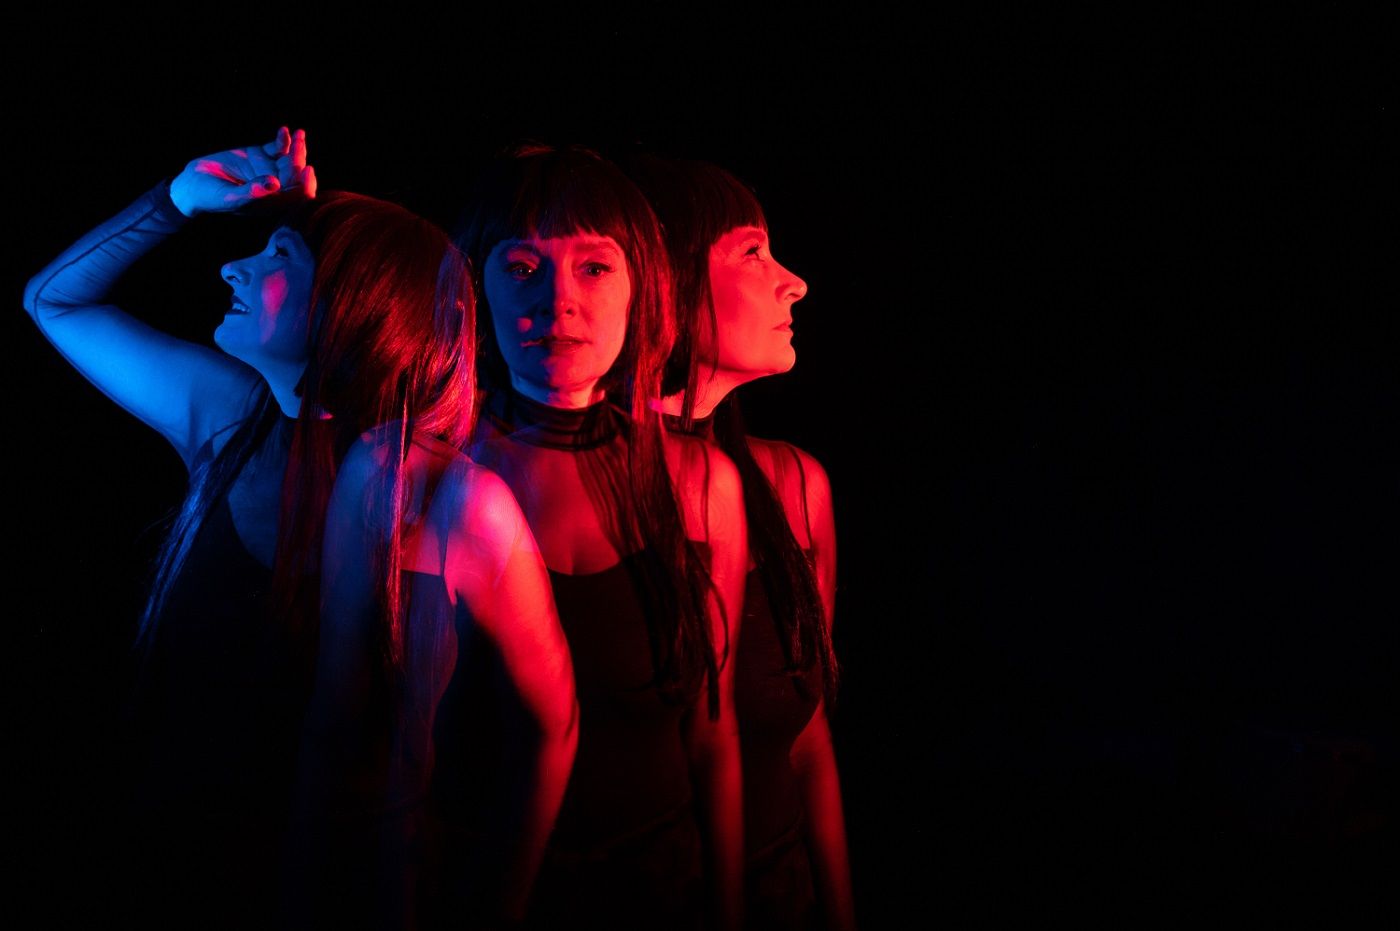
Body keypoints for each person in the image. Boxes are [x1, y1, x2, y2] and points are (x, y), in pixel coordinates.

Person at [23, 128, 573, 929]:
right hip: (169, 876)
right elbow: (53, 302)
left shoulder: (453, 498)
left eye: (279, 255)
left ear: (362, 300)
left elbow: (549, 726)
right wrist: (178, 199)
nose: (231, 267)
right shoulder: (228, 419)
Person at [453, 143, 748, 930]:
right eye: (523, 267)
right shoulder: (435, 477)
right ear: (474, 285)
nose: (559, 301)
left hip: (662, 888)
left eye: (593, 267)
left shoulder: (700, 482)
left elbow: (714, 735)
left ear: (640, 282)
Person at [626, 154, 855, 930]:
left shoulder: (796, 484)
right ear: (668, 276)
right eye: (753, 252)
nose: (796, 282)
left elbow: (807, 738)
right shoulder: (577, 487)